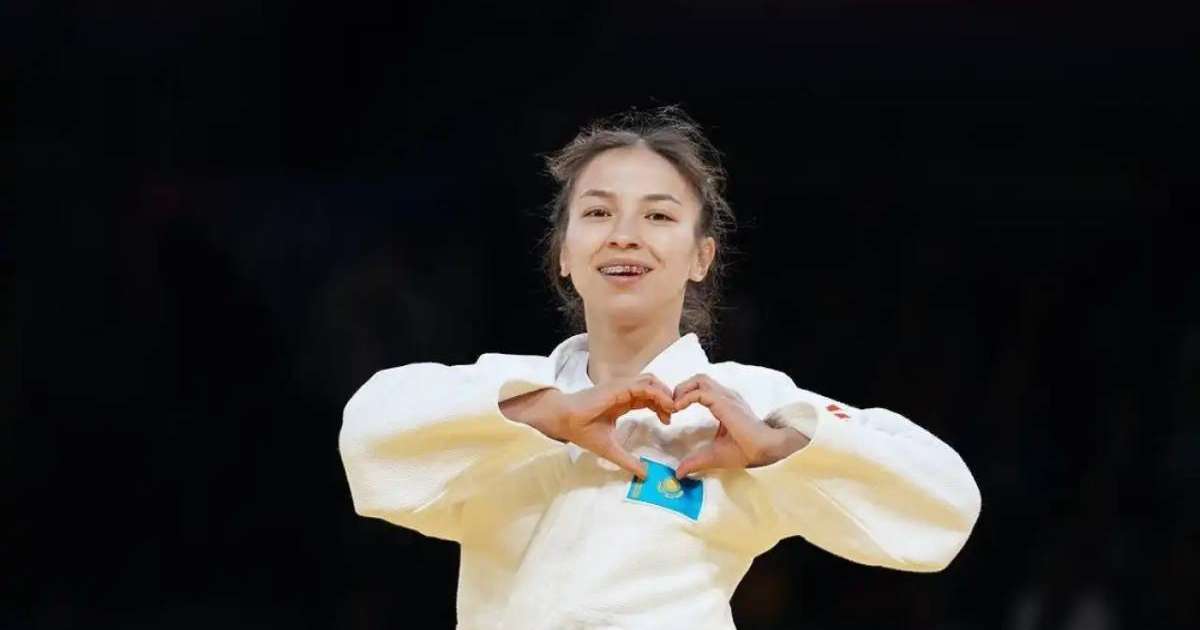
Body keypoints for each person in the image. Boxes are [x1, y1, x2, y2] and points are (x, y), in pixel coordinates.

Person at [338, 106, 982, 630]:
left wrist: (780, 447)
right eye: (596, 213)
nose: (624, 235)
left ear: (701, 256)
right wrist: (546, 416)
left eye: (658, 215)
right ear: (564, 253)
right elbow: (367, 438)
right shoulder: (510, 393)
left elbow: (946, 509)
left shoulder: (743, 405)